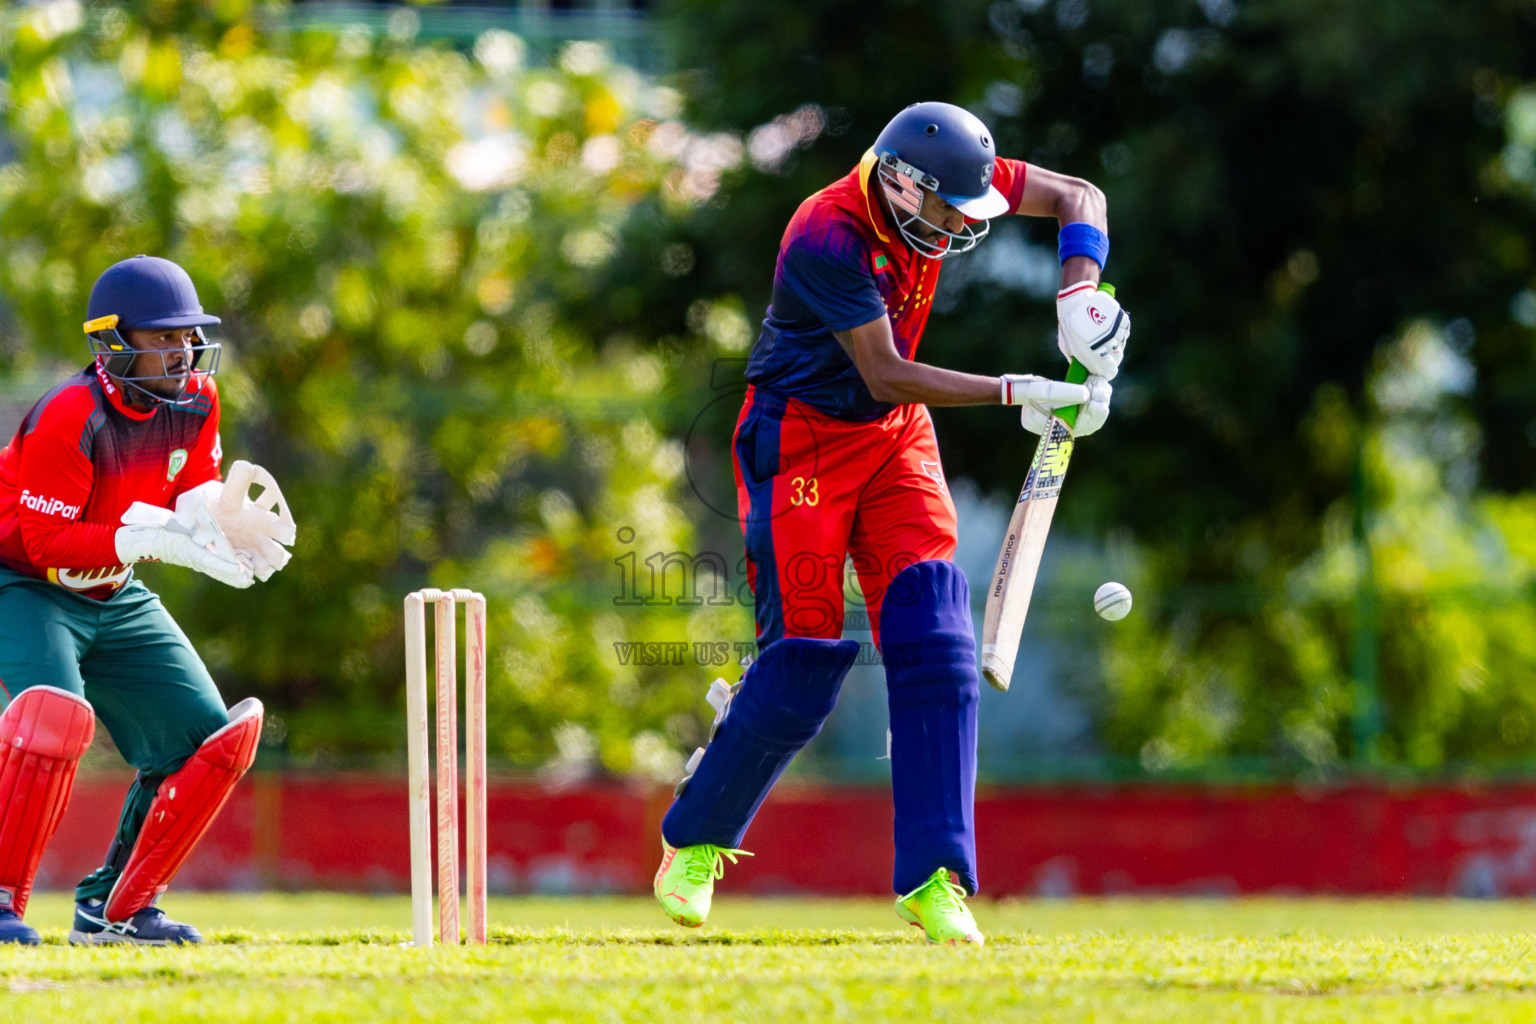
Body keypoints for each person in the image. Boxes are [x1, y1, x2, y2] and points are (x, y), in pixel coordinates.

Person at [652, 102, 1131, 944]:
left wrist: (1078, 293)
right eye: (946, 211)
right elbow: (882, 372)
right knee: (799, 664)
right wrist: (1016, 391)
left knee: (939, 644)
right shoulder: (826, 232)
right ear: (902, 183)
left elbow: (1077, 194)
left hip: (893, 441)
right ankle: (696, 837)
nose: (958, 227)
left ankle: (935, 879)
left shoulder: (944, 183)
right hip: (800, 438)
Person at [0, 255, 296, 945]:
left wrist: (220, 524)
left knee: (207, 739)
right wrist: (156, 542)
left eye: (187, 334)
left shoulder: (198, 398)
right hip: (22, 583)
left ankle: (116, 909)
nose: (182, 349)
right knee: (51, 722)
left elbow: (193, 485)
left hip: (113, 590)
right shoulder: (71, 414)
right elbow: (45, 542)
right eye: (162, 336)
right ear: (113, 340)